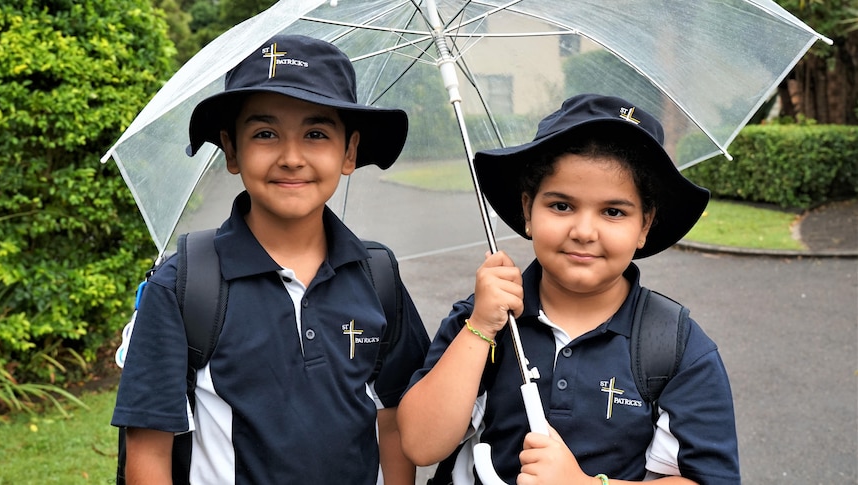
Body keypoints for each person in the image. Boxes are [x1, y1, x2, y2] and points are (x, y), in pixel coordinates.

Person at [111, 34, 430, 484]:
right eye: (265, 134)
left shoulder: (377, 276)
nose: (292, 158)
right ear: (232, 150)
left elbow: (394, 418)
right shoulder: (183, 285)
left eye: (316, 134)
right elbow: (148, 449)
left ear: (350, 151)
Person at [398, 94, 740, 484]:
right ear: (528, 211)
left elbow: (710, 478)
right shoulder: (482, 319)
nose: (583, 232)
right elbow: (420, 445)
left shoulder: (675, 347)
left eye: (613, 212)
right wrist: (479, 328)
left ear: (645, 226)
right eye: (561, 206)